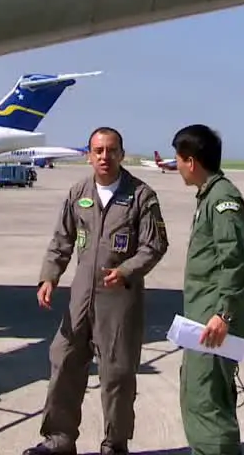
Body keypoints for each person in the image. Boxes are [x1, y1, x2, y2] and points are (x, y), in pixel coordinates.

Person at [26, 127, 170, 455]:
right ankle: (58, 441)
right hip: (81, 295)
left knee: (117, 373)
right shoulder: (79, 192)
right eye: (98, 151)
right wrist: (48, 277)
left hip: (119, 299)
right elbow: (61, 240)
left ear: (121, 153)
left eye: (111, 150)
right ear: (89, 156)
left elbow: (155, 245)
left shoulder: (141, 196)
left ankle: (115, 445)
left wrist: (127, 271)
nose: (105, 157)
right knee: (63, 361)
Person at [172, 124, 244, 455]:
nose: (176, 166)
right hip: (203, 321)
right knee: (200, 397)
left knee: (207, 404)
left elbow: (235, 262)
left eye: (178, 159)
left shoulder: (223, 200)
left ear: (191, 161)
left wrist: (223, 314)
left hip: (214, 325)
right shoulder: (210, 196)